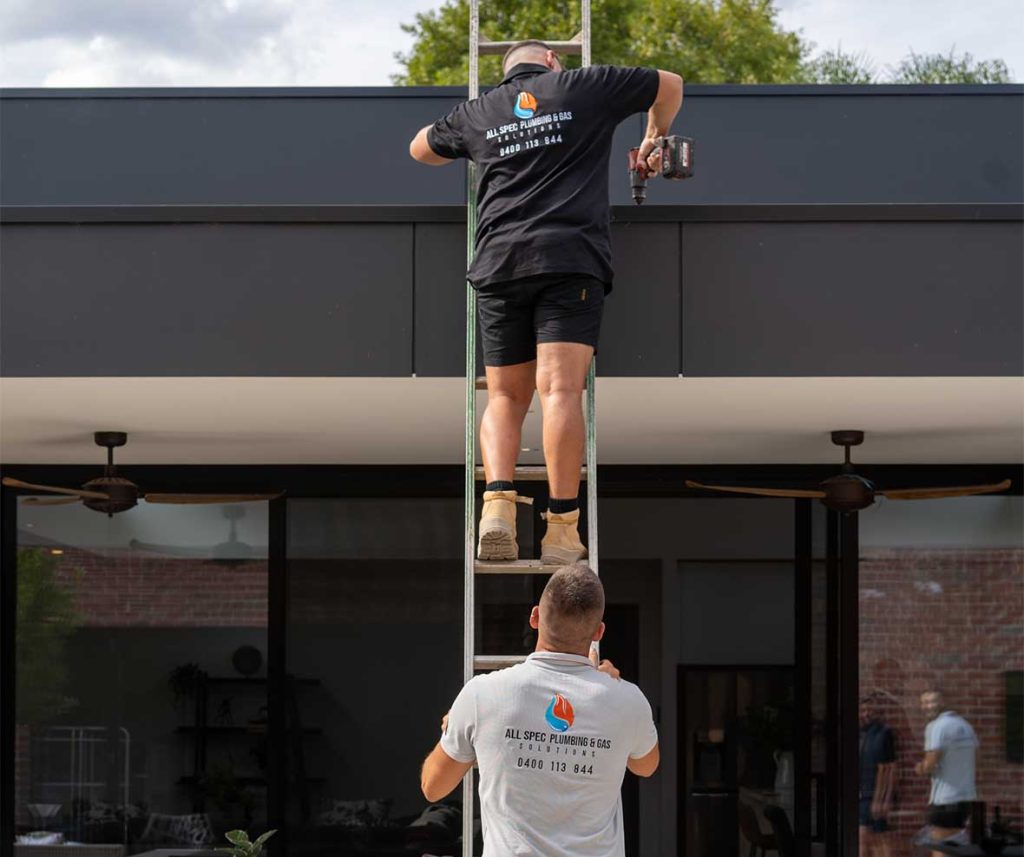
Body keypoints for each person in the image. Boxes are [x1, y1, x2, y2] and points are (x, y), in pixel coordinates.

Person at [409, 41, 683, 564]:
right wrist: (653, 136)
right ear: (553, 62)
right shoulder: (584, 85)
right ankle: (560, 529)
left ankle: (496, 509)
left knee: (505, 399)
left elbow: (420, 148)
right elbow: (669, 84)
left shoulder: (479, 111)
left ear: (506, 72)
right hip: (568, 258)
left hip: (498, 264)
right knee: (560, 391)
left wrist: (476, 132)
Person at [419, 563, 659, 855]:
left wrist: (455, 726)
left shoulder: (482, 694)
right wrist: (606, 688)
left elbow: (433, 786)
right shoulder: (628, 701)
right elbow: (646, 766)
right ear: (598, 632)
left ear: (534, 617)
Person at [915, 688, 979, 855]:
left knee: (940, 848)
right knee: (954, 848)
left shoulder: (936, 726)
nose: (927, 706)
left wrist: (920, 768)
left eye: (932, 701)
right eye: (924, 702)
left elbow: (931, 760)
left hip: (945, 799)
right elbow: (977, 758)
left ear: (943, 702)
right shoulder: (965, 726)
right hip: (966, 799)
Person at [859, 693, 896, 857]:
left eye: (869, 710)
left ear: (877, 711)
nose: (866, 714)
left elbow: (888, 769)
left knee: (880, 840)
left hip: (875, 795)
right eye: (863, 710)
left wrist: (882, 800)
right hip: (863, 794)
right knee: (864, 841)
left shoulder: (883, 733)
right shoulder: (862, 733)